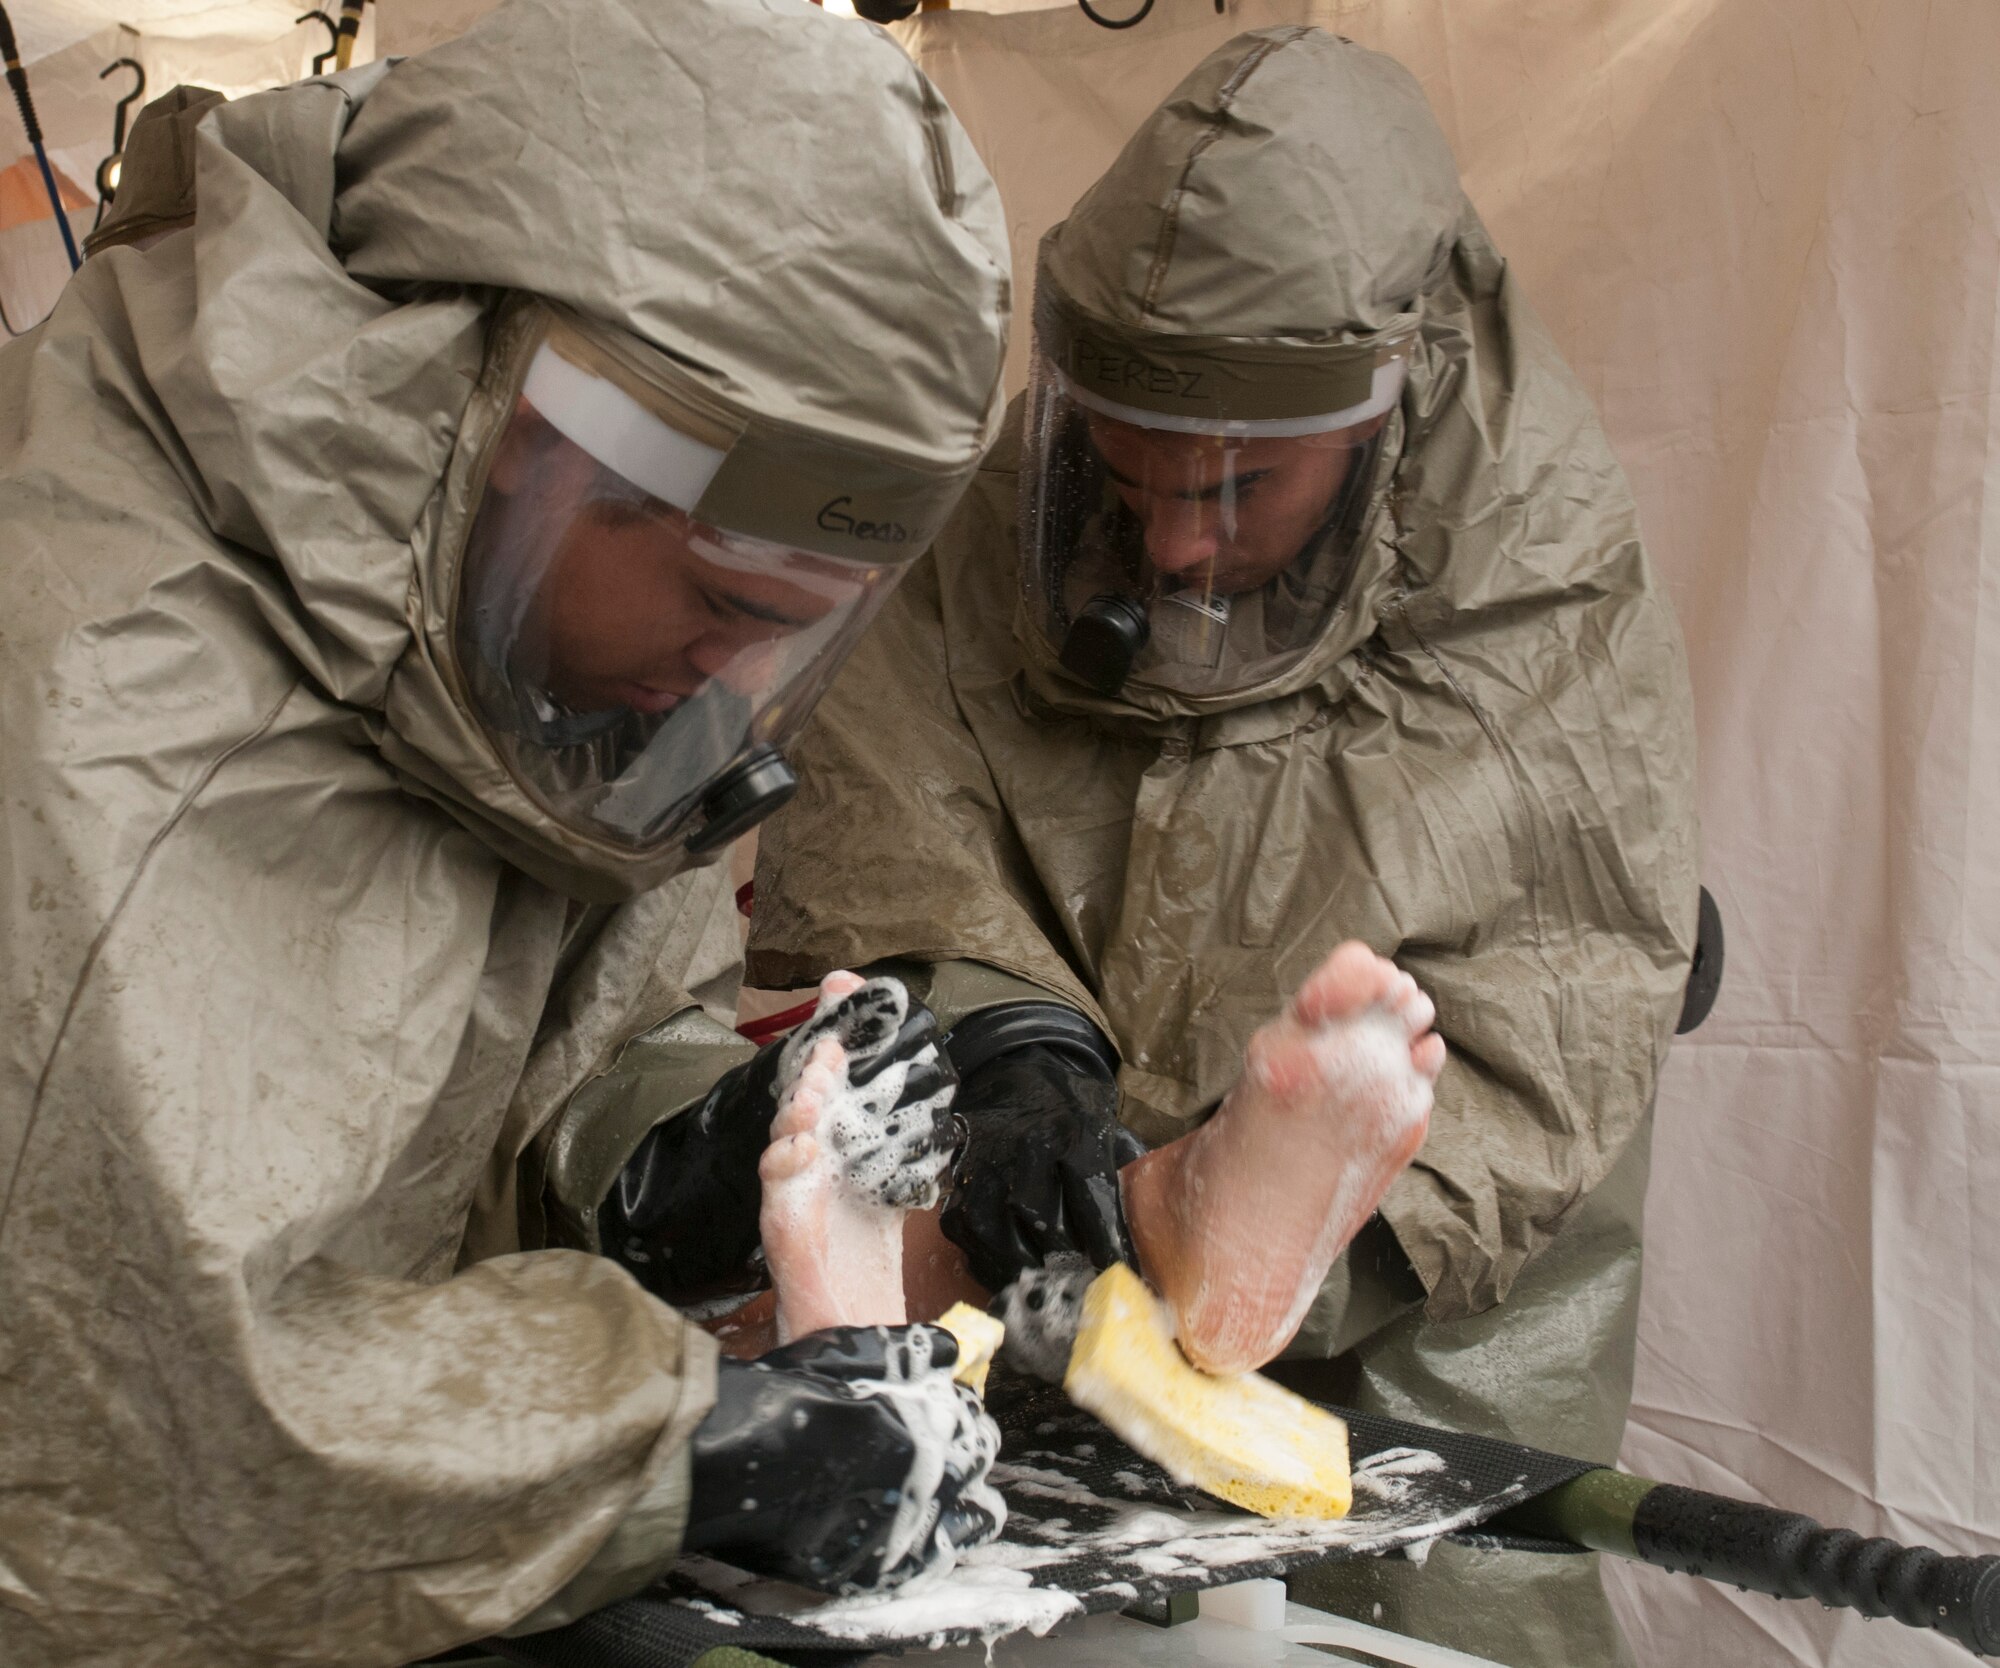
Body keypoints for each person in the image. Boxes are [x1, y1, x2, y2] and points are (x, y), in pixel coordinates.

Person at [0, 0, 1017, 1661]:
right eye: (726, 597)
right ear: (533, 432)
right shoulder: (103, 688)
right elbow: (111, 1429)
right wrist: (682, 1447)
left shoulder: (510, 636)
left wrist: (681, 1145)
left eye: (796, 630)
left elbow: (531, 1047)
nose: (728, 670)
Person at [746, 27, 1701, 1667]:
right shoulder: (1018, 530)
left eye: (1241, 485)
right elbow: (892, 801)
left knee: (1390, 1617)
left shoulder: (1535, 585)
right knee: (1020, 1593)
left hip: (1415, 1354)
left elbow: (1558, 982)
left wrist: (1257, 1244)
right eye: (1130, 475)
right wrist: (1010, 1045)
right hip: (1029, 1263)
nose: (1176, 533)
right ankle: (1189, 1222)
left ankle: (1236, 1226)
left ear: (1384, 410)